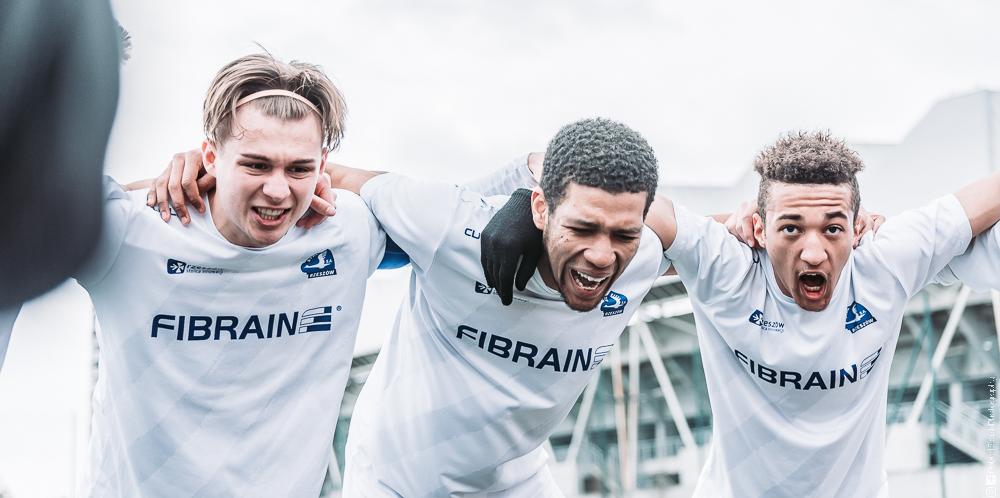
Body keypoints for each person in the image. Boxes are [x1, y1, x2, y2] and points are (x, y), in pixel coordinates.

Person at [484, 131, 1000, 497]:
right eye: (791, 228)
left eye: (832, 228)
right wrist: (533, 198)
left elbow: (976, 199)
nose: (814, 251)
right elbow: (601, 182)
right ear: (758, 227)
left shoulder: (886, 261)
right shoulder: (724, 264)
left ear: (858, 227)